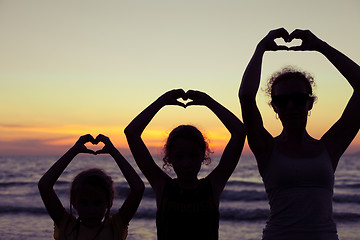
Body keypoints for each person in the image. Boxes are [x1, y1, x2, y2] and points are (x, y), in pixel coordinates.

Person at [239, 28, 360, 240]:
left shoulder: (329, 147)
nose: (291, 105)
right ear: (274, 107)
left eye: (298, 98)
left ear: (309, 103)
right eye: (282, 100)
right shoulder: (266, 149)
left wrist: (321, 46)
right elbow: (246, 96)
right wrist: (260, 49)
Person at [124, 89, 246, 240]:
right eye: (179, 157)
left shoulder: (212, 186)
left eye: (193, 156)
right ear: (169, 158)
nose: (186, 163)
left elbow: (240, 132)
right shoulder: (162, 186)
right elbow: (131, 133)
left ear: (203, 156)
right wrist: (161, 101)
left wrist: (208, 101)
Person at [38, 134, 144, 240]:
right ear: (74, 202)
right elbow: (44, 186)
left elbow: (138, 188)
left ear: (109, 202)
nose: (91, 210)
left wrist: (113, 151)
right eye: (84, 203)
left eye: (97, 203)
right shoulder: (67, 227)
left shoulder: (114, 228)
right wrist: (74, 150)